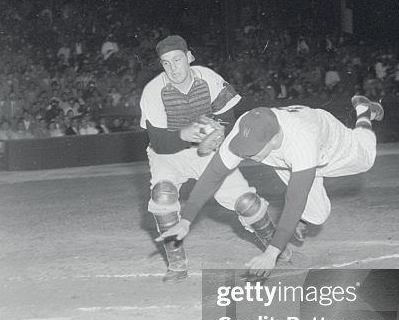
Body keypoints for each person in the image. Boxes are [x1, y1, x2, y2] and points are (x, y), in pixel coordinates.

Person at [160, 96, 384, 276]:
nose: (245, 155)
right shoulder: (246, 127)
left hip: (330, 147)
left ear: (275, 140)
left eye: (252, 151)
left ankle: (364, 111)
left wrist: (271, 253)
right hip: (290, 163)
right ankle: (304, 220)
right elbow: (213, 175)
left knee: (366, 158)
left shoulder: (301, 140)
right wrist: (186, 220)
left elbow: (296, 199)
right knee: (318, 216)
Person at [138, 34, 255, 283]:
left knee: (246, 202)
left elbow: (227, 118)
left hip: (205, 150)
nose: (173, 68)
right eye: (166, 63)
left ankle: (276, 246)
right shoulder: (152, 91)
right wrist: (185, 134)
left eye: (178, 60)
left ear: (189, 57)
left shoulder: (209, 78)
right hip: (168, 154)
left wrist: (215, 133)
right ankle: (177, 264)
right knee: (163, 196)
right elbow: (158, 141)